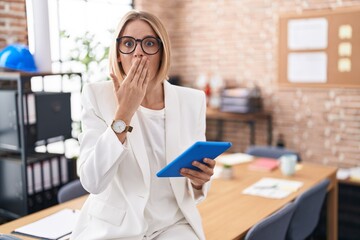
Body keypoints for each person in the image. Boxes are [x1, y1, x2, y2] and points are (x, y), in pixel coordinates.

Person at [70, 10, 215, 240]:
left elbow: (194, 181)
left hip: (172, 225)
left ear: (162, 52)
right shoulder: (97, 96)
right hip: (115, 228)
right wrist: (124, 113)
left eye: (149, 43)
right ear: (118, 54)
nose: (138, 52)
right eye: (128, 43)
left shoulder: (192, 100)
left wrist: (199, 181)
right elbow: (92, 181)